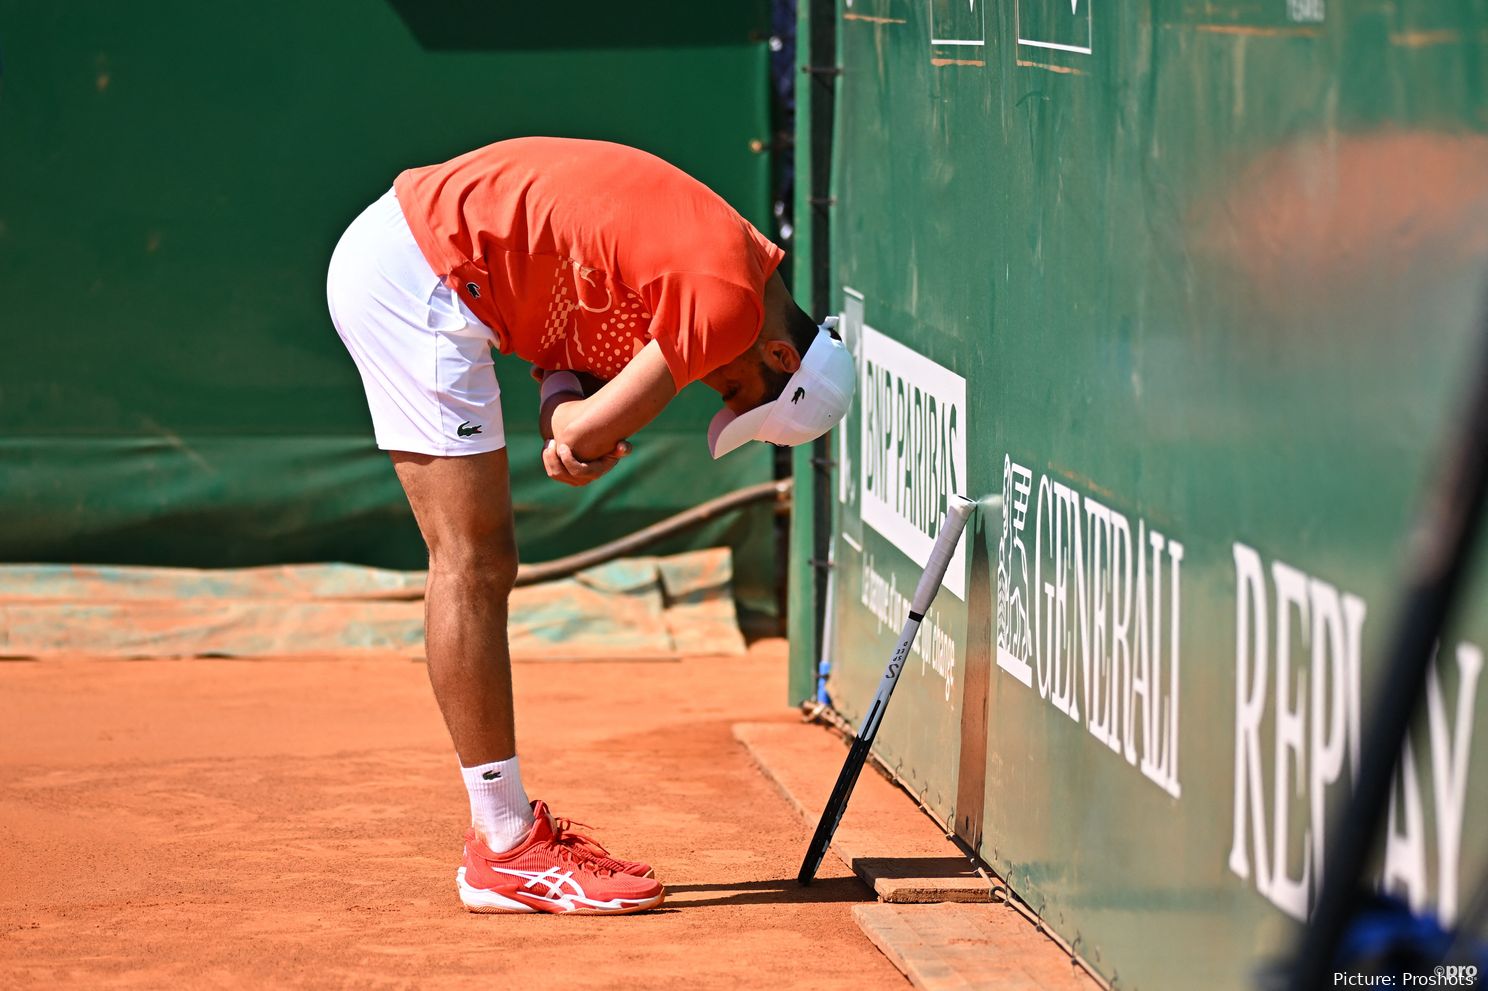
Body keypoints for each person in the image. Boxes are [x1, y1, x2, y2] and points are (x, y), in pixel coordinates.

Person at [325, 137, 854, 915]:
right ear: (780, 350)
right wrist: (575, 433)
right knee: (472, 561)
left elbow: (563, 372)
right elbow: (581, 435)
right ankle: (504, 848)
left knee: (478, 560)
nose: (716, 387)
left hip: (415, 259)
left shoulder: (719, 261)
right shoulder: (727, 301)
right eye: (740, 390)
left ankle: (504, 838)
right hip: (420, 280)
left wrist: (566, 416)